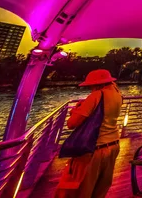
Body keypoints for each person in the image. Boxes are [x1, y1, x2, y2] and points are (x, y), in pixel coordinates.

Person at [55, 69, 123, 198]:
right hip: (113, 145)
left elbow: (72, 123)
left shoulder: (97, 95)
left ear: (96, 84)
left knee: (80, 189)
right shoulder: (118, 95)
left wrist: (76, 110)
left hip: (94, 149)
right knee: (100, 189)